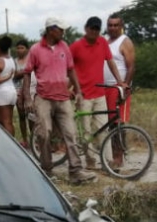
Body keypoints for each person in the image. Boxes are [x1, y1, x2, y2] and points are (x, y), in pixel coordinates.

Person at [22, 18, 95, 184]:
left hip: (62, 98)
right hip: (43, 97)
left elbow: (70, 70)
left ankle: (75, 171)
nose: (63, 32)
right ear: (51, 30)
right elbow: (27, 73)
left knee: (71, 133)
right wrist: (27, 97)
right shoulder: (35, 49)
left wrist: (78, 91)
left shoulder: (64, 47)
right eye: (61, 29)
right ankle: (47, 170)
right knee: (44, 133)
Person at [70, 16, 125, 170]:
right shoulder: (76, 46)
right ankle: (91, 162)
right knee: (86, 131)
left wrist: (119, 81)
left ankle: (108, 163)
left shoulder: (102, 43)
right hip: (83, 94)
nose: (94, 31)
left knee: (103, 129)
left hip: (99, 93)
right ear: (86, 28)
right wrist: (70, 87)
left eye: (97, 29)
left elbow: (111, 62)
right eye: (91, 28)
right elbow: (69, 67)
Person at [103, 13, 134, 119]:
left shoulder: (125, 41)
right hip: (103, 87)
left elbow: (131, 67)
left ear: (121, 26)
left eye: (116, 25)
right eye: (110, 25)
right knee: (106, 121)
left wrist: (125, 87)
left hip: (117, 87)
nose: (112, 28)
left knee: (118, 121)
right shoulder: (104, 40)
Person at [0, 36, 17, 135]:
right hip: (11, 91)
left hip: (1, 93)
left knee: (3, 121)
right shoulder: (11, 60)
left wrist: (7, 77)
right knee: (8, 121)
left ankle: (11, 145)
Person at [14, 39, 33, 147]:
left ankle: (33, 139)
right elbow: (14, 75)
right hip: (17, 90)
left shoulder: (30, 60)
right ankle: (24, 139)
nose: (19, 50)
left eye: (22, 48)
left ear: (27, 49)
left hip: (29, 90)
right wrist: (25, 72)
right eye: (18, 48)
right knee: (21, 116)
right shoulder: (14, 61)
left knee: (31, 116)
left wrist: (21, 73)